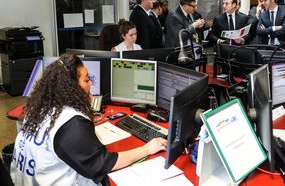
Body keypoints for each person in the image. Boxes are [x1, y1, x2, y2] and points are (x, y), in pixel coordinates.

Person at [10, 54, 167, 185]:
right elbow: (104, 164)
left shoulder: (38, 110)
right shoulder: (71, 124)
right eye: (86, 80)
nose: (91, 83)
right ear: (71, 87)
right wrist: (147, 149)